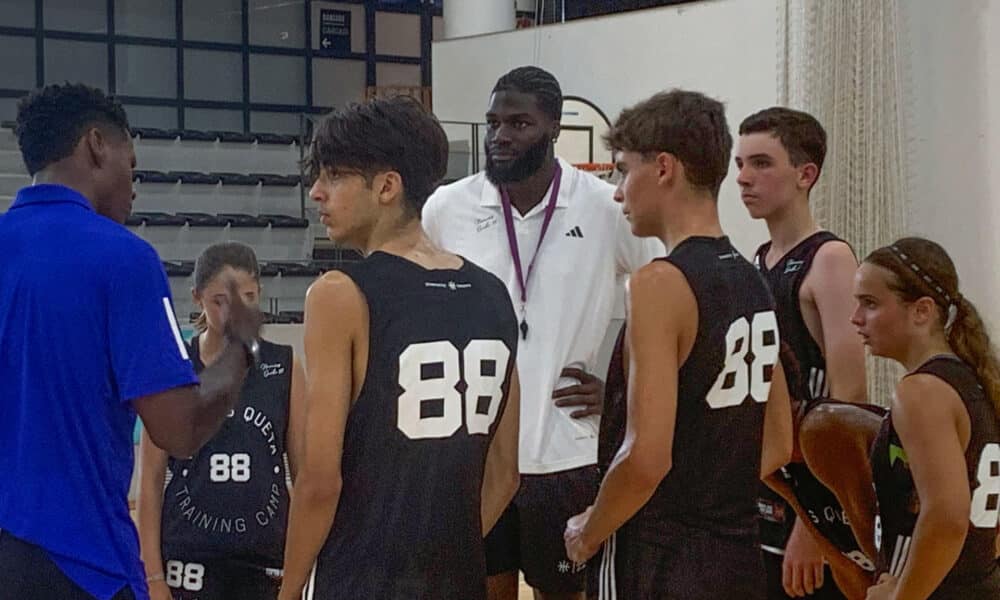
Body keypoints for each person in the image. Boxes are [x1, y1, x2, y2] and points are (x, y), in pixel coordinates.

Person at [0, 83, 261, 600]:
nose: (134, 186)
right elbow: (178, 429)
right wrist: (239, 350)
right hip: (81, 563)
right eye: (133, 165)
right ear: (97, 145)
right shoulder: (123, 258)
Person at [423, 65, 660, 600]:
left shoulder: (605, 207)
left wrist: (621, 391)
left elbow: (659, 299)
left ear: (555, 127)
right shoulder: (447, 208)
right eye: (493, 123)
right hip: (475, 451)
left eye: (519, 123)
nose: (501, 137)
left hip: (567, 454)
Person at [276, 96, 521, 600]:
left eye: (335, 176)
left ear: (387, 186)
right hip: (455, 579)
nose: (317, 192)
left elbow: (321, 479)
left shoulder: (339, 293)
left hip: (357, 578)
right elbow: (504, 470)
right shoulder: (494, 293)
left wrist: (290, 588)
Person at [563, 89, 793, 599]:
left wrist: (589, 529)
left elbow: (646, 458)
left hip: (661, 560)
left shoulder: (658, 283)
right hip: (736, 556)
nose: (618, 192)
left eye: (624, 171)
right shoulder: (753, 278)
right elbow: (777, 439)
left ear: (663, 168)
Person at [735, 107, 869, 599]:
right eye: (740, 164)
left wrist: (812, 525)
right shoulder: (756, 261)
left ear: (805, 174)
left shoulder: (829, 259)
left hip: (809, 500)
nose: (744, 178)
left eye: (762, 163)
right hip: (766, 487)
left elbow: (849, 403)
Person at [137, 242, 306, 600]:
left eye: (247, 296)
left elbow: (304, 477)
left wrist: (296, 577)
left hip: (265, 561)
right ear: (197, 298)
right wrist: (153, 576)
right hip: (187, 559)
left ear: (259, 293)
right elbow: (150, 482)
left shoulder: (286, 367)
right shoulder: (174, 369)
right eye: (220, 300)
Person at [852, 237, 1000, 599]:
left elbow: (947, 518)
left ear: (922, 311)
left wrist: (904, 596)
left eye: (869, 304)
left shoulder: (920, 393)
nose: (856, 318)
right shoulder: (973, 382)